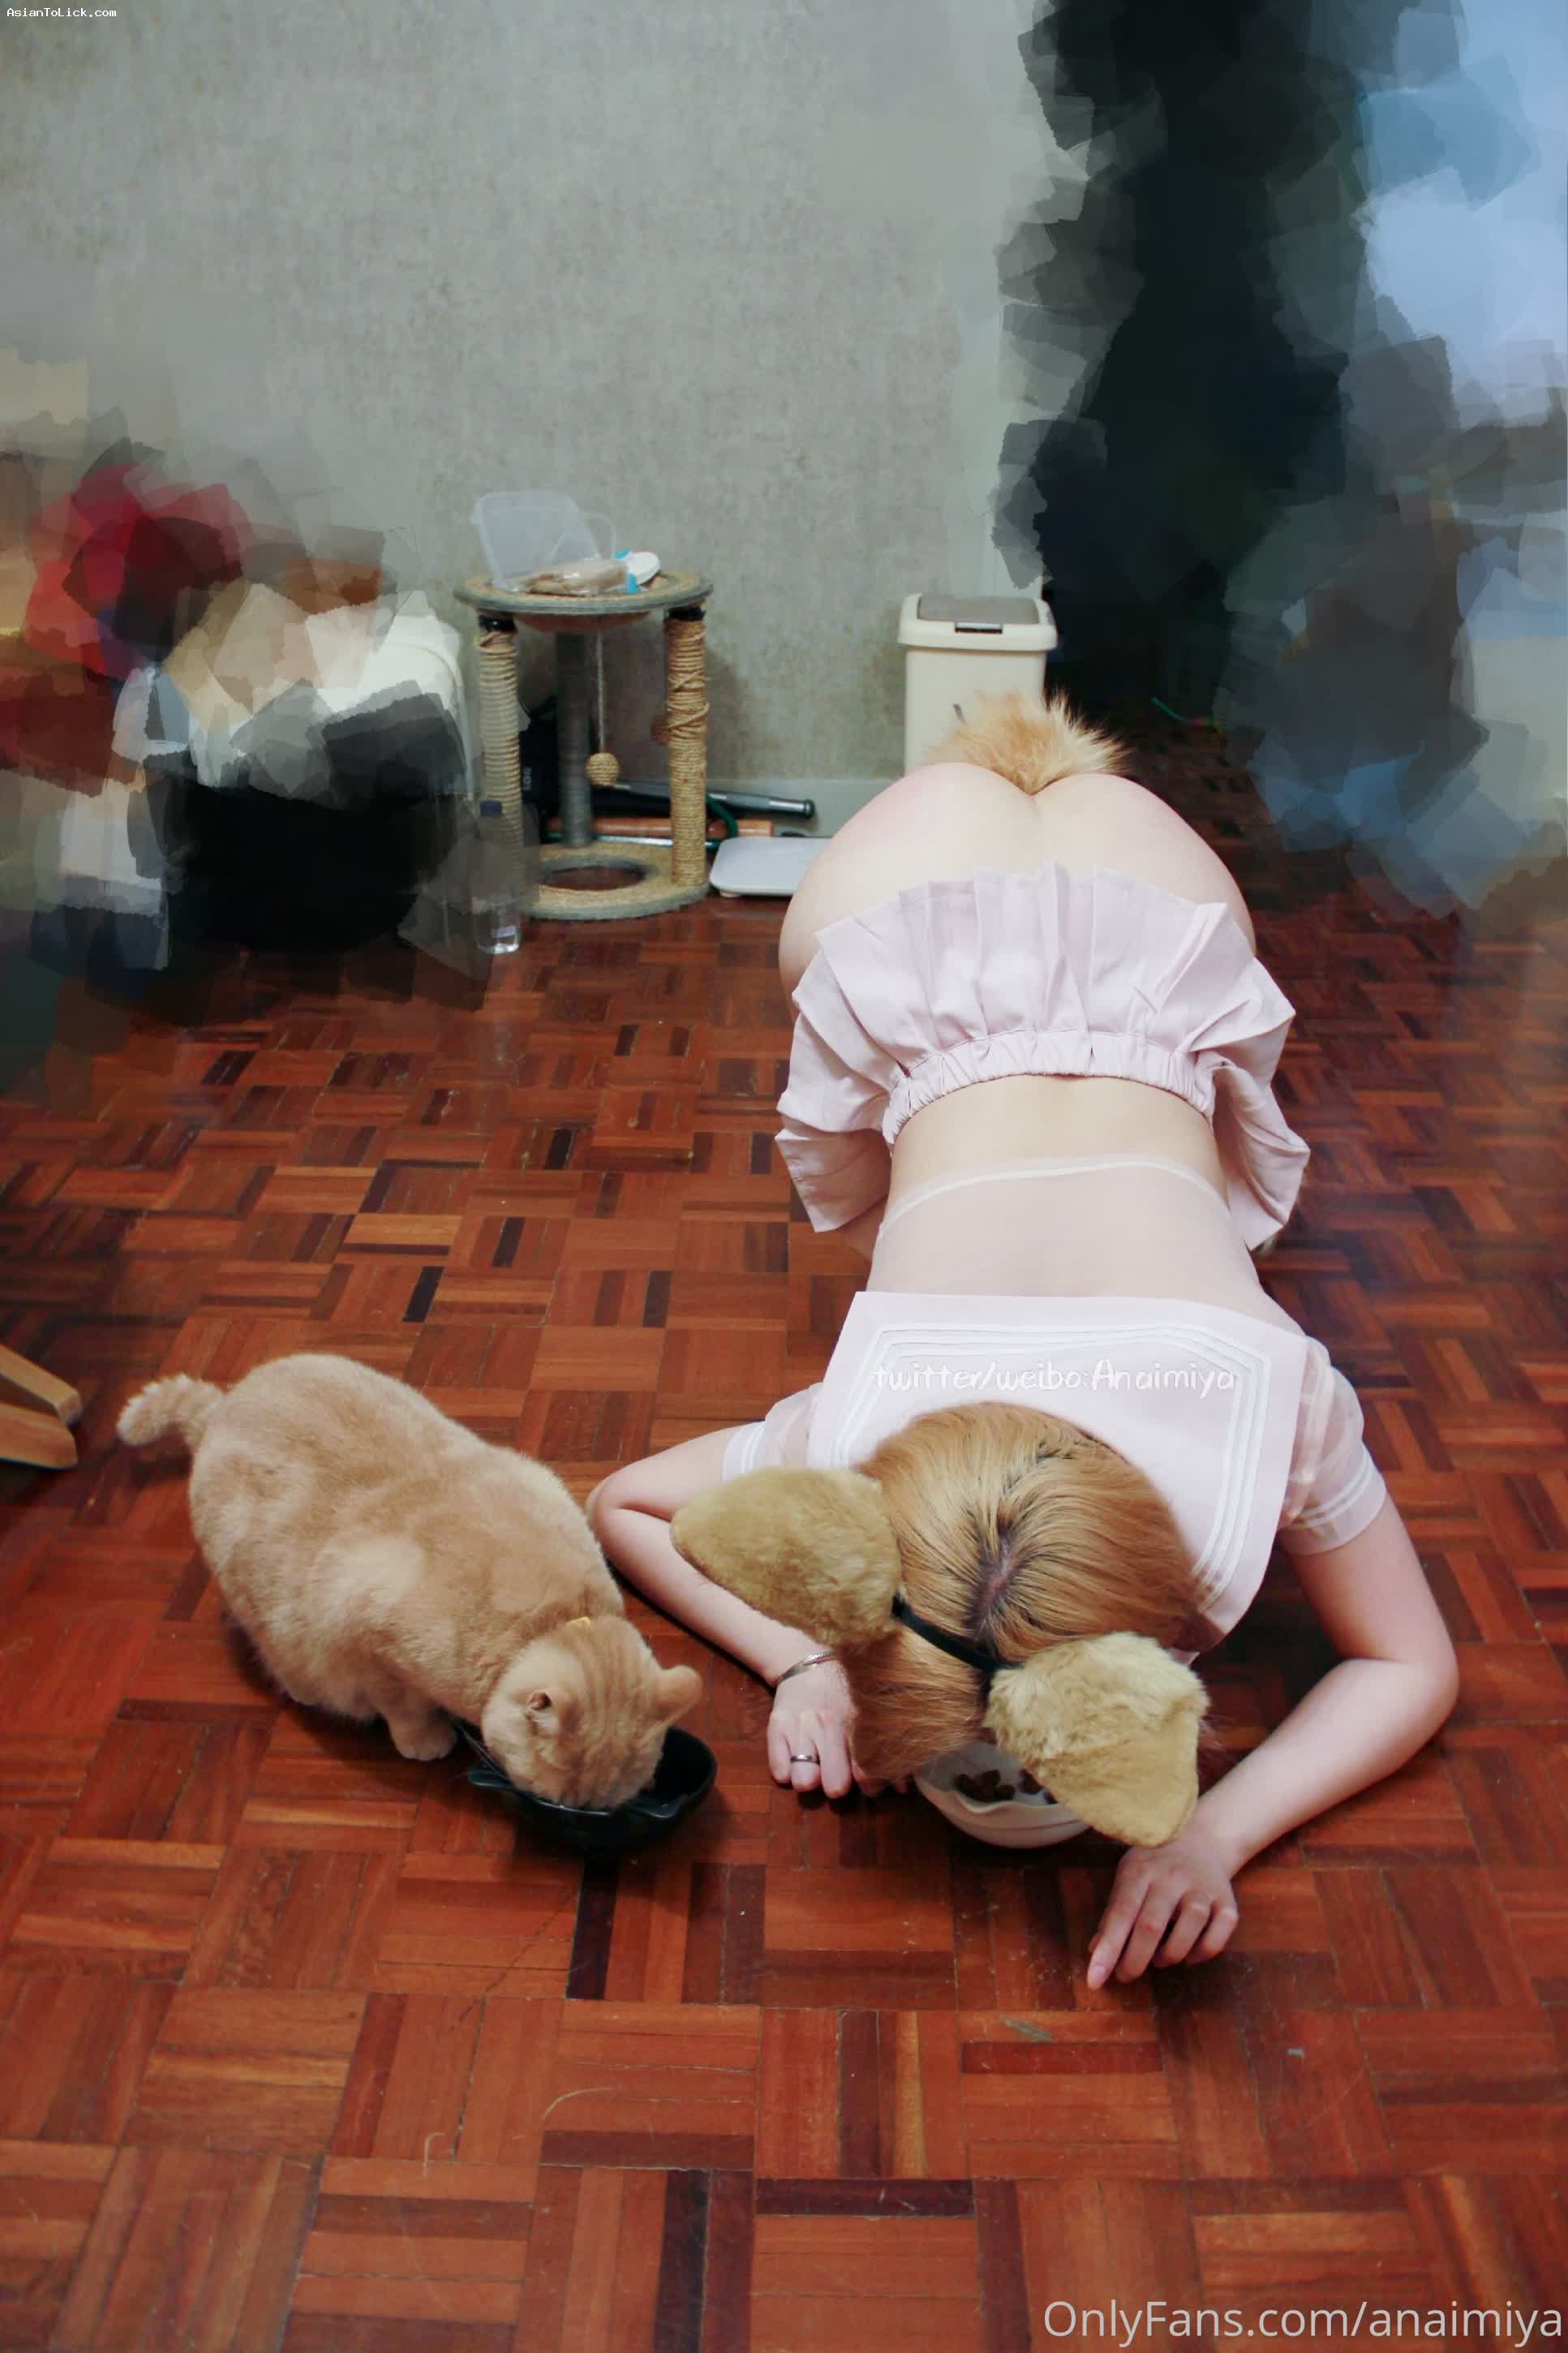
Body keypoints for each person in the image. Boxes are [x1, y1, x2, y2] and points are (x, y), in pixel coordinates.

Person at [587, 695, 1458, 1989]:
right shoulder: (1247, 1405)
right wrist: (809, 1657)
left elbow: (1414, 1667)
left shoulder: (878, 1432)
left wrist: (1215, 1829)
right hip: (1067, 916)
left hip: (1040, 909)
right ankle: (1016, 775)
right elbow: (1406, 1662)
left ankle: (998, 772)